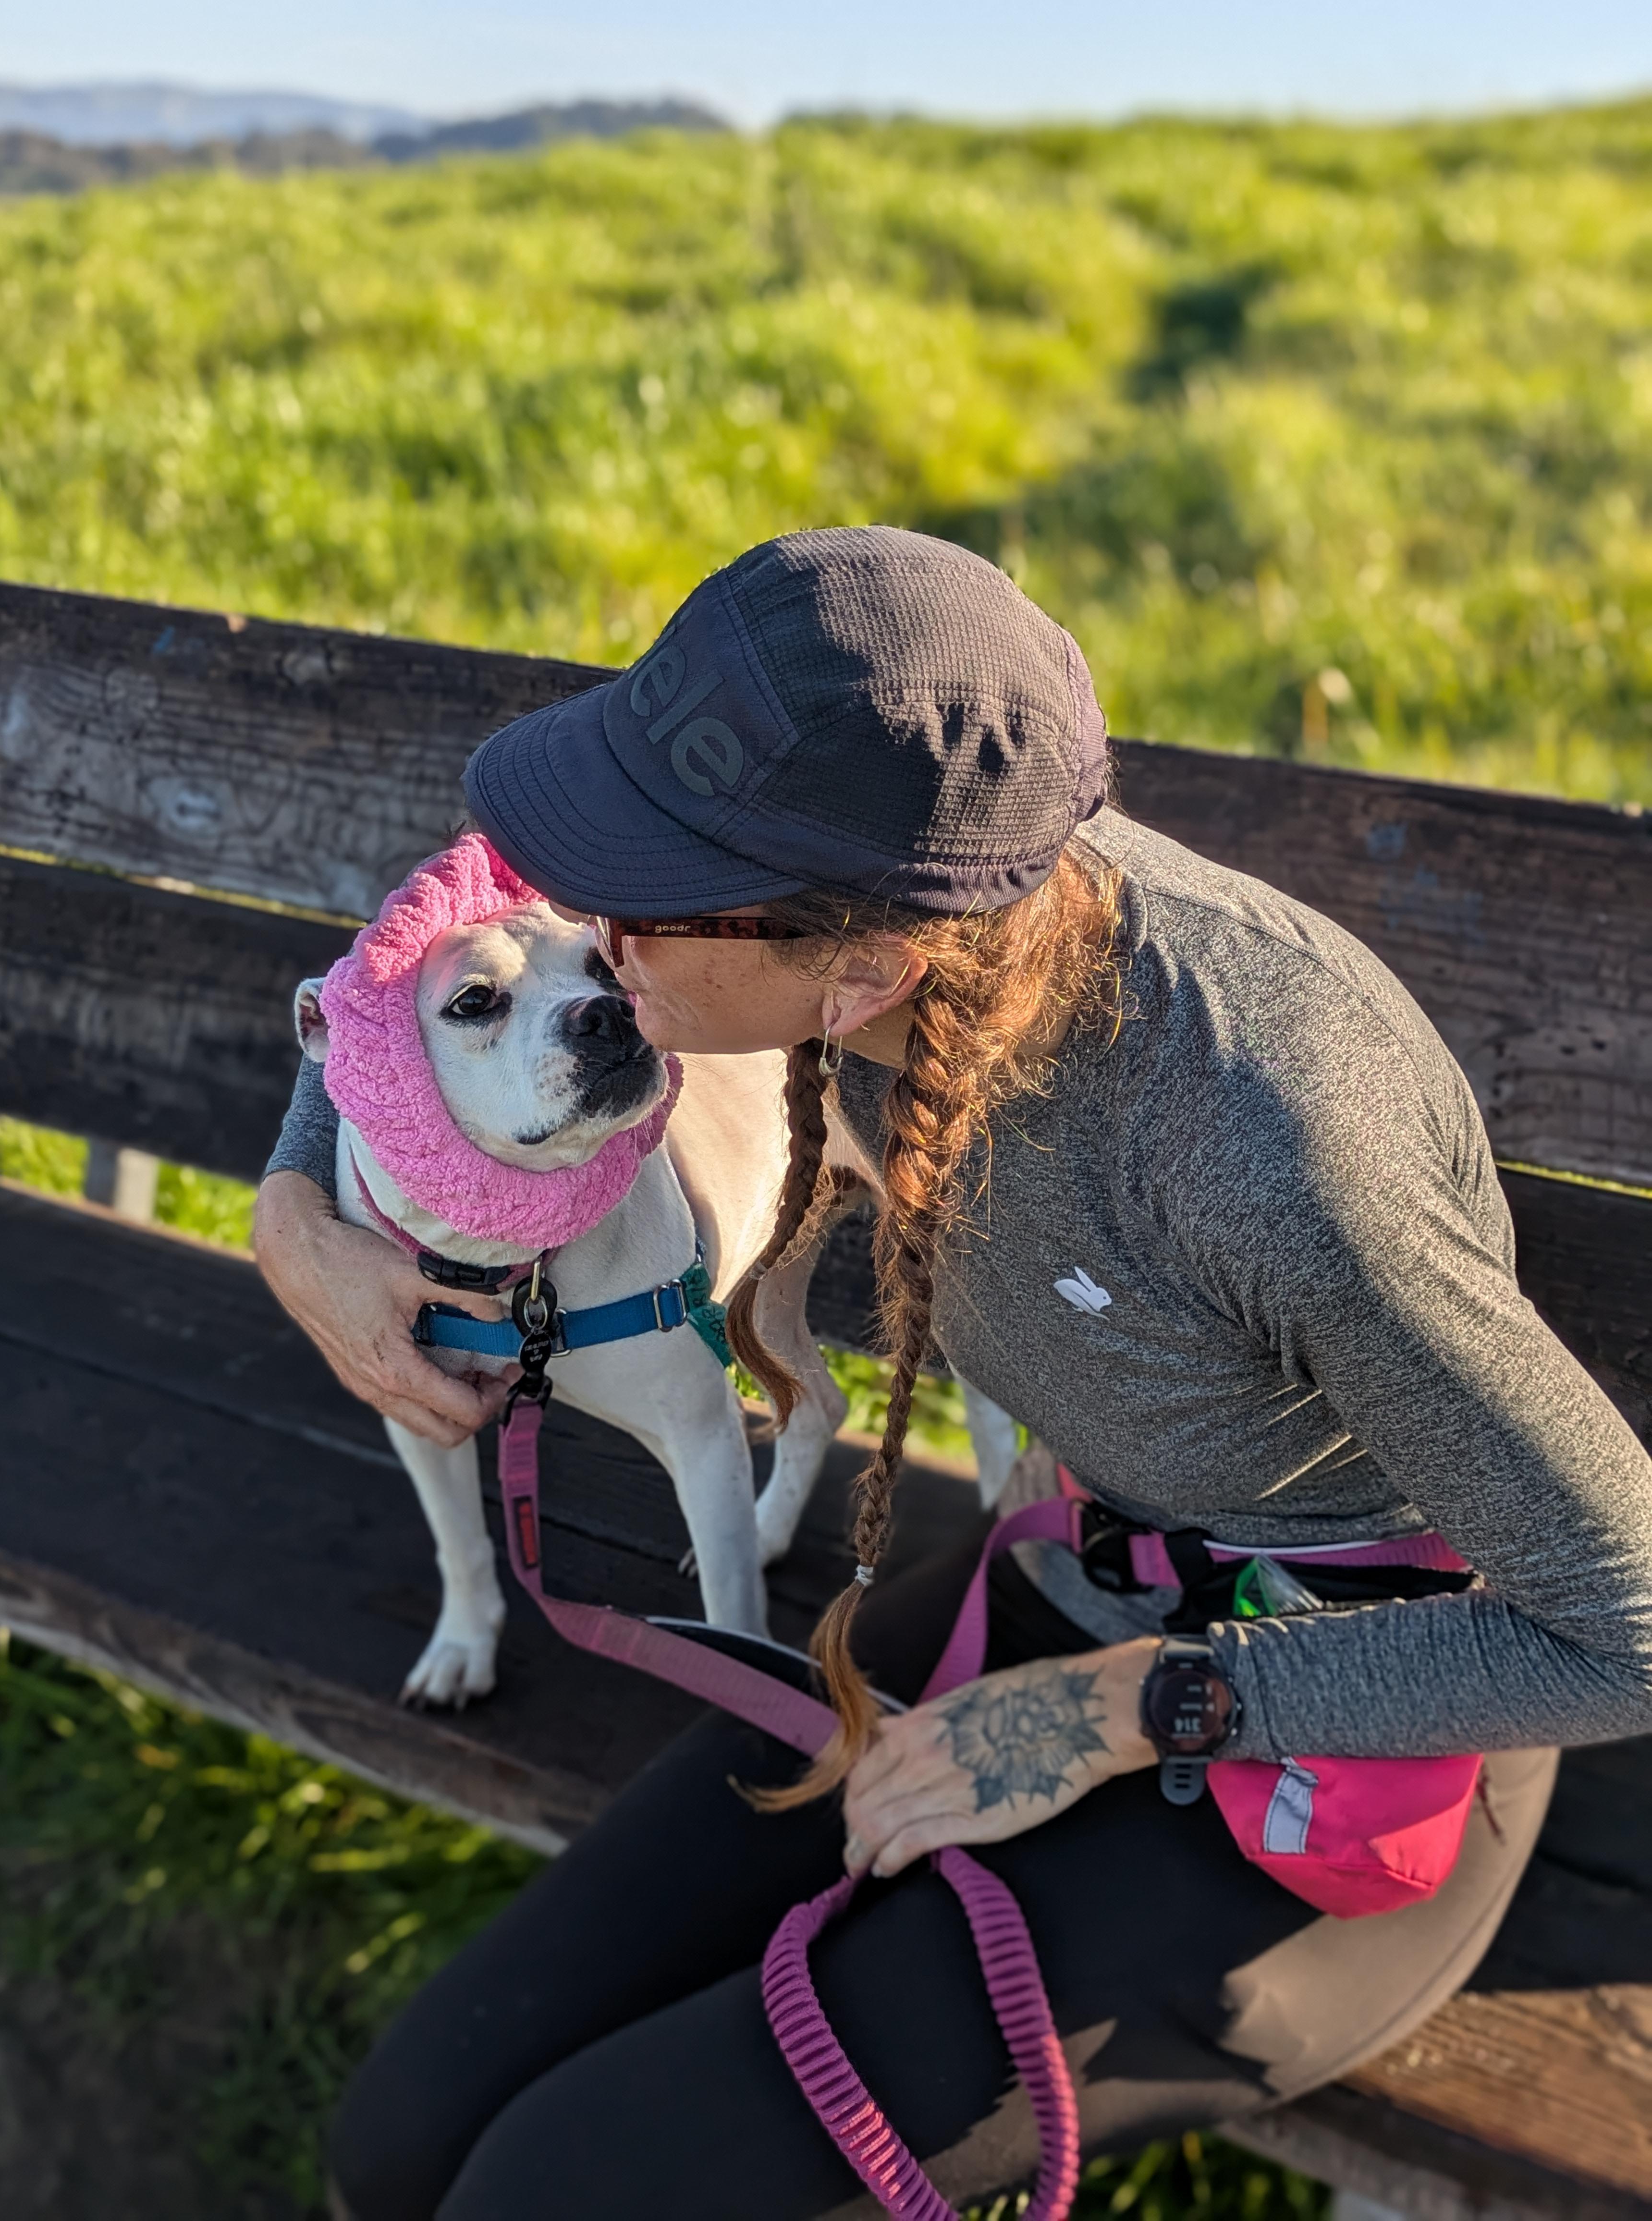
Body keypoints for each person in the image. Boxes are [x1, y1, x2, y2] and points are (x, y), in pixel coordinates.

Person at [255, 526, 1652, 2221]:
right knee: (395, 2142)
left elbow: (1627, 1620)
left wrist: (1139, 1709)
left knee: (549, 2194)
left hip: (1345, 1733)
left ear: (857, 976)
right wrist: (290, 1211)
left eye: (627, 900)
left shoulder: (1264, 1139)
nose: (580, 928)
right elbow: (416, 981)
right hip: (1081, 1575)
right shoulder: (869, 839)